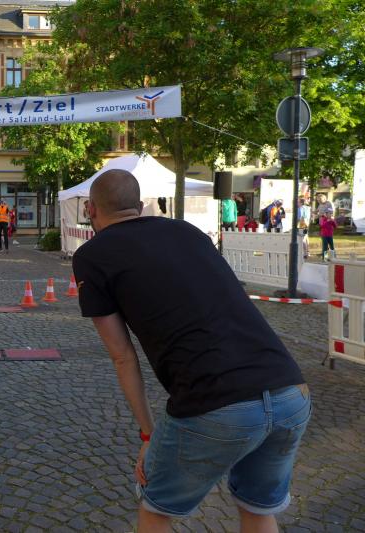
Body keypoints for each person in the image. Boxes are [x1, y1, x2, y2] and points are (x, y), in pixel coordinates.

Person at [72, 169, 310, 533]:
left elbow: (122, 356)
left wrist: (148, 435)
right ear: (141, 206)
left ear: (90, 209)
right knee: (258, 508)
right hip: (289, 391)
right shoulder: (187, 231)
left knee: (156, 509)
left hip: (215, 400)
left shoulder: (92, 256)